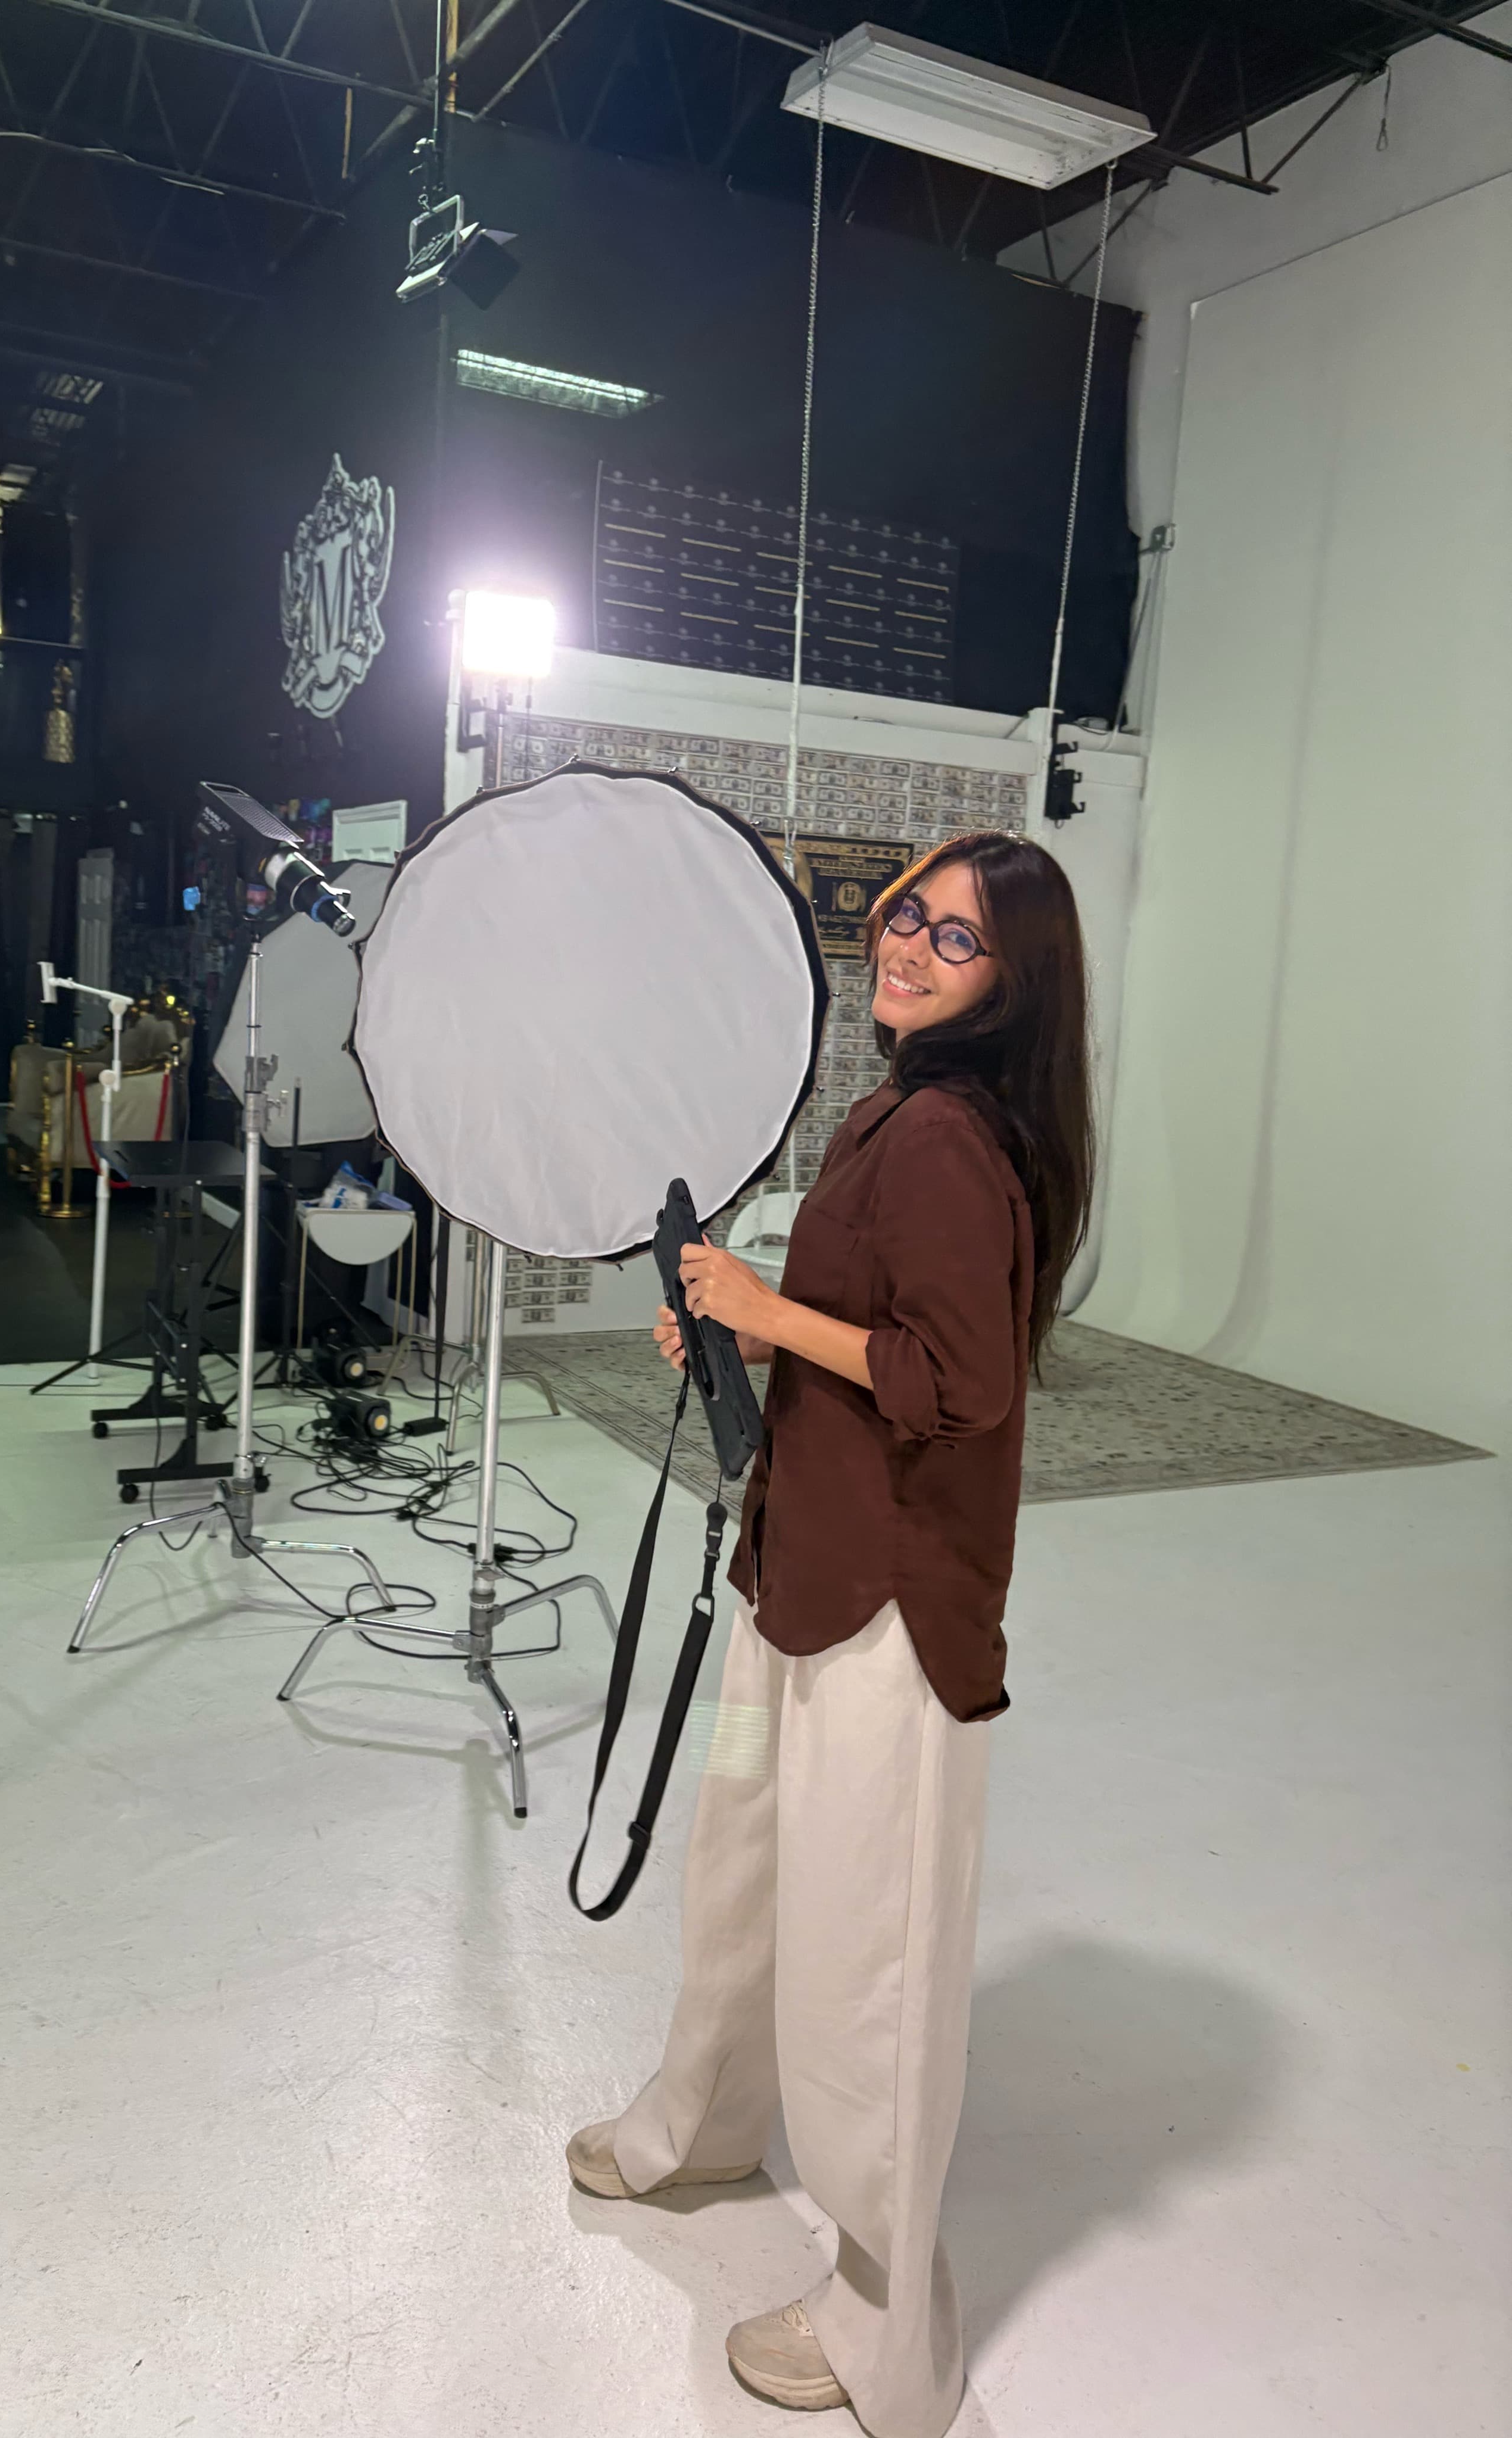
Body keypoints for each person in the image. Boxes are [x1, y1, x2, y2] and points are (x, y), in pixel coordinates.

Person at [566, 831, 1095, 2437]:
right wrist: (740, 1334)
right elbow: (865, 1350)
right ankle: (709, 2121)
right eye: (908, 915)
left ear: (1016, 986)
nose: (914, 948)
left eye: (960, 937)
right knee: (749, 1882)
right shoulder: (895, 1111)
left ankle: (884, 2320)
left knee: (871, 1960)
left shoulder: (947, 1139)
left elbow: (959, 1384)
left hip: (891, 1610)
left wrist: (766, 1312)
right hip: (805, 1567)